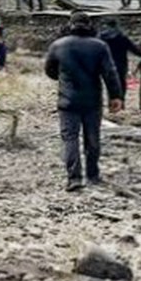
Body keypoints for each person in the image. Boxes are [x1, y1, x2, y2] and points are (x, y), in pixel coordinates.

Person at [44, 14, 123, 192]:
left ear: (70, 25)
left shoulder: (58, 45)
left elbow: (49, 71)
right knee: (92, 138)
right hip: (92, 100)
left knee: (70, 139)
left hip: (67, 100)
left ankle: (74, 178)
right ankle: (93, 175)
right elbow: (110, 73)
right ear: (89, 25)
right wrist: (115, 96)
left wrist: (63, 77)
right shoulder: (100, 46)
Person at [96, 19, 141, 93]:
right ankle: (121, 100)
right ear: (116, 25)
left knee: (110, 84)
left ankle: (111, 100)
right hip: (120, 64)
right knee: (121, 84)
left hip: (106, 64)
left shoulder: (101, 37)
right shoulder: (122, 37)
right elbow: (133, 49)